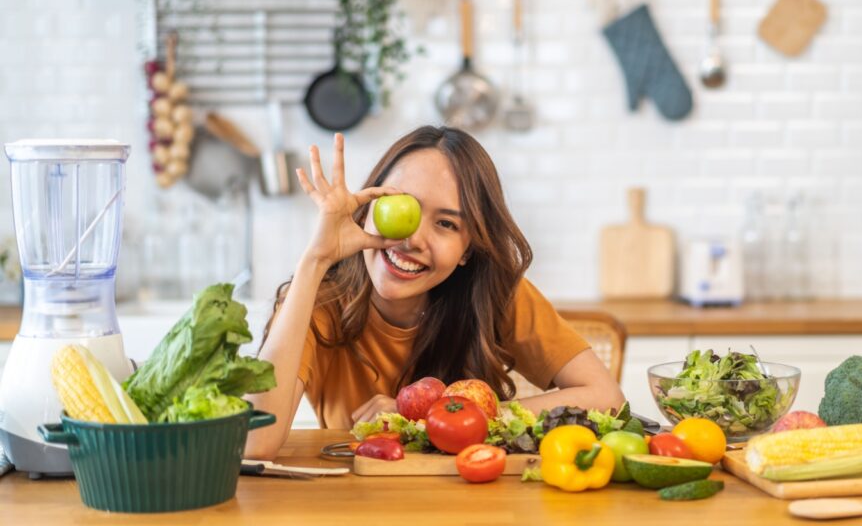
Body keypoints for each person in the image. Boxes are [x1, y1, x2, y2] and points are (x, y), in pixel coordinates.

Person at [245, 126, 624, 459]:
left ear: (467, 250)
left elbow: (607, 398)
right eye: (402, 205)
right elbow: (253, 443)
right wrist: (315, 259)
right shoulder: (318, 301)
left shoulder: (496, 293)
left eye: (445, 223)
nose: (411, 239)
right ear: (368, 206)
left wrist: (430, 416)